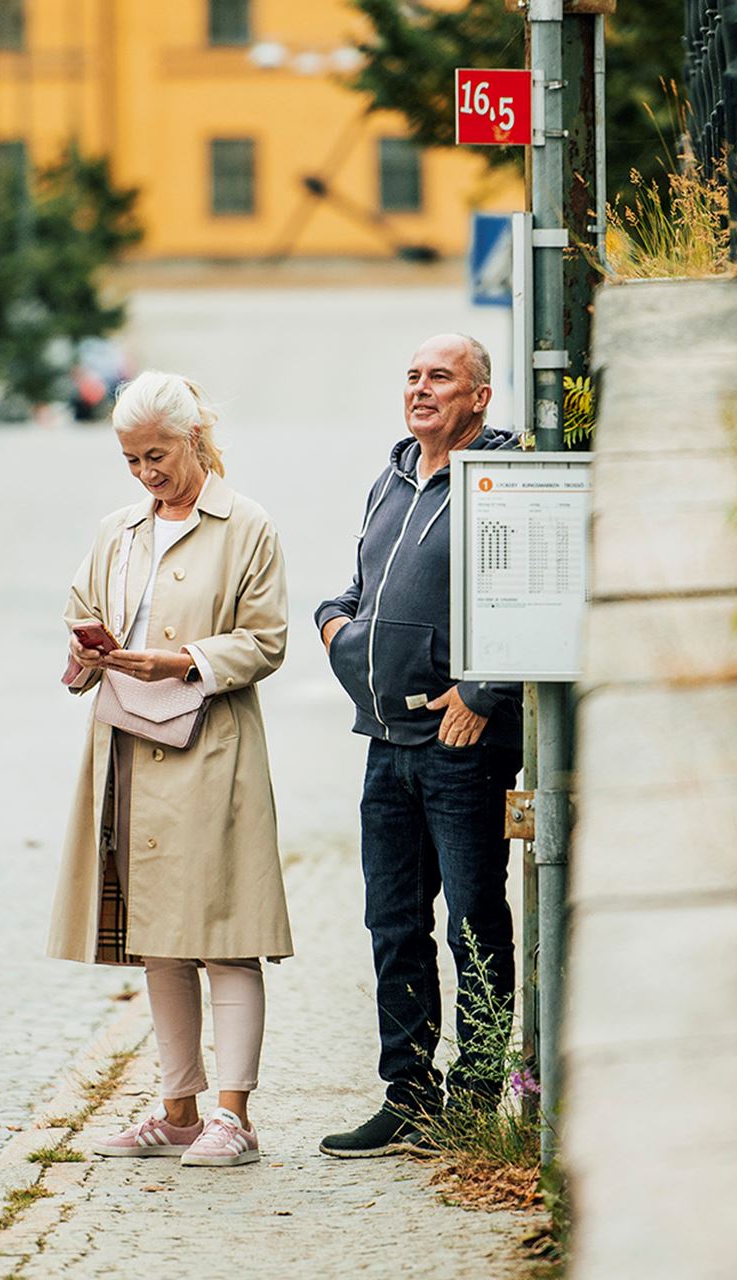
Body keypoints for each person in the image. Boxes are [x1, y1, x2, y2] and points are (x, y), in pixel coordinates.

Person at [48, 371, 292, 1169]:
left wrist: (182, 661)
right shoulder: (118, 530)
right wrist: (88, 652)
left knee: (225, 931)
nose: (146, 473)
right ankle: (178, 1109)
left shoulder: (246, 523)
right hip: (127, 747)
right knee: (157, 939)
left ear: (192, 440)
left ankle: (234, 1116)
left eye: (156, 455)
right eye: (131, 460)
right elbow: (82, 611)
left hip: (213, 748)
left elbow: (266, 640)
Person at [315, 333, 524, 1158]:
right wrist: (333, 625)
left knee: (474, 919)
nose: (421, 388)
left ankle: (474, 1098)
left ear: (480, 397)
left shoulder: (500, 478)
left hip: (458, 744)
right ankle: (408, 1095)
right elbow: (357, 588)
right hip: (385, 738)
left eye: (441, 377)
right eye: (412, 376)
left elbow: (531, 592)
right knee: (393, 922)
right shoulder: (392, 475)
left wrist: (483, 692)